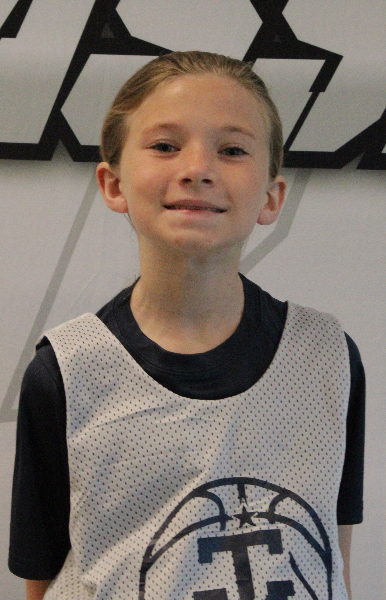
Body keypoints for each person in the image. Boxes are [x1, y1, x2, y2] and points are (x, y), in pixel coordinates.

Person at [9, 51, 365, 600]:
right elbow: (42, 580)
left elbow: (330, 560)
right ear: (113, 184)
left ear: (272, 196)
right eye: (165, 146)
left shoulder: (328, 358)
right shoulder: (67, 373)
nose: (197, 168)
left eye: (232, 149)